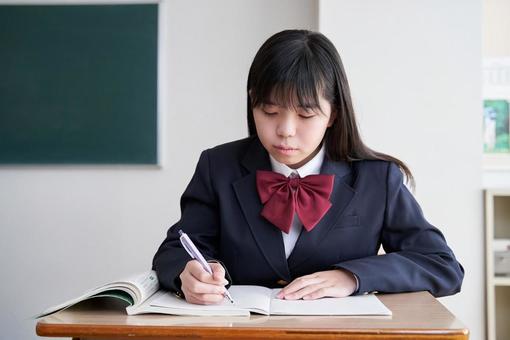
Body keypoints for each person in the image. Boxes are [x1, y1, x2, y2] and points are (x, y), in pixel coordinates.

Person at [152, 29, 464, 305]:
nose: (285, 130)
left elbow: (441, 265)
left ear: (333, 114)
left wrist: (352, 277)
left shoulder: (377, 178)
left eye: (305, 115)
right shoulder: (218, 166)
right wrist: (187, 275)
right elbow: (174, 250)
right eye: (270, 110)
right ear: (252, 104)